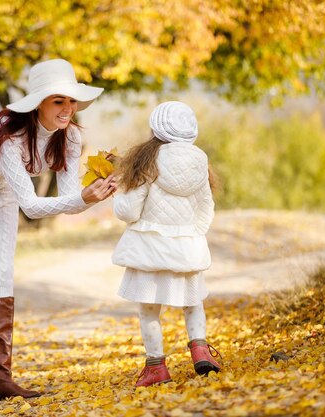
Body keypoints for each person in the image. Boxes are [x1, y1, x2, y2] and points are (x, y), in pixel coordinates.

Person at [0, 59, 117, 400]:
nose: (68, 109)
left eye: (71, 101)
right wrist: (83, 200)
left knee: (1, 271)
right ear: (38, 104)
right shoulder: (9, 137)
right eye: (59, 101)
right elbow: (31, 207)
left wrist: (92, 194)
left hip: (1, 189)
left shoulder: (70, 137)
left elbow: (71, 194)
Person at [111, 101, 221, 387]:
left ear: (156, 128)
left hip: (150, 248)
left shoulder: (148, 159)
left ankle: (156, 367)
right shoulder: (200, 160)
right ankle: (200, 350)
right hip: (187, 247)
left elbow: (130, 211)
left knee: (149, 310)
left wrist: (116, 195)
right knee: (193, 302)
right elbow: (206, 207)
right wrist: (190, 234)